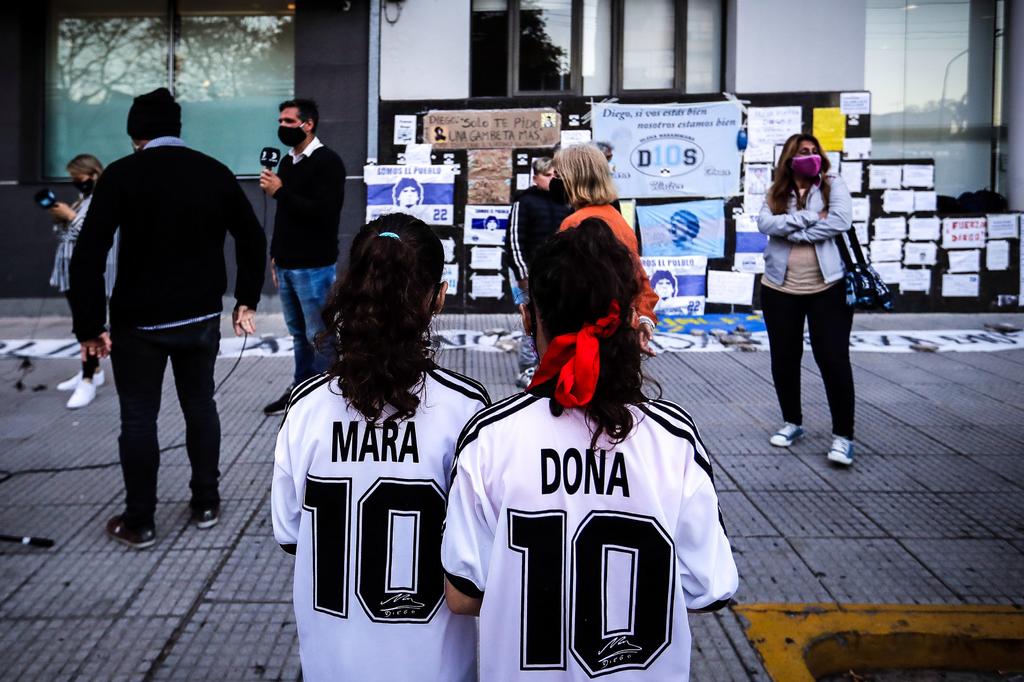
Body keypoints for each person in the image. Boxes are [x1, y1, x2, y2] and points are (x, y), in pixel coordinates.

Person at [442, 218, 737, 681]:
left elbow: (462, 596)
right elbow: (708, 588)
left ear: (528, 318)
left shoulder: (490, 438)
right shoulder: (674, 440)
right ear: (630, 320)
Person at [272, 213, 486, 682]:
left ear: (353, 289)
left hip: (332, 665)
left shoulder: (305, 406)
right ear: (438, 298)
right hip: (435, 669)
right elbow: (479, 559)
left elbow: (290, 533)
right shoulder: (467, 408)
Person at [69, 87, 267, 548]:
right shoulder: (213, 171)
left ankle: (140, 521)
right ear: (177, 128)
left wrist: (89, 326)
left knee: (139, 418)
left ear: (135, 133)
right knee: (200, 406)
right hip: (200, 317)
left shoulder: (121, 175)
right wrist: (246, 299)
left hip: (139, 322)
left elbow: (89, 254)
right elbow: (252, 237)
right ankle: (206, 502)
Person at [756, 133, 856, 466]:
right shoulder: (777, 190)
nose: (810, 156)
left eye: (814, 151)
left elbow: (840, 221)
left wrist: (791, 231)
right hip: (779, 288)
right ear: (790, 158)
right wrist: (810, 218)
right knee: (784, 359)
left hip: (828, 288)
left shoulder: (832, 184)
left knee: (833, 360)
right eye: (803, 152)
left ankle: (843, 437)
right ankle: (792, 422)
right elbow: (764, 223)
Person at [260, 98, 347, 416]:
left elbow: (324, 213)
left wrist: (280, 192)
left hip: (314, 265)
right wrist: (275, 255)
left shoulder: (328, 162)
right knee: (299, 334)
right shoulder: (286, 162)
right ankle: (301, 388)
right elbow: (284, 216)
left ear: (308, 124)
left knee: (320, 334)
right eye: (280, 121)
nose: (282, 126)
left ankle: (328, 393)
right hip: (287, 263)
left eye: (288, 121)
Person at [556, 143, 659, 355]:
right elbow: (639, 279)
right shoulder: (616, 218)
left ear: (573, 178)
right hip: (620, 335)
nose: (556, 181)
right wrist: (644, 318)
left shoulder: (575, 223)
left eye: (559, 175)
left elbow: (568, 292)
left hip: (589, 341)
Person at [49, 153, 118, 409]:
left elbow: (92, 233)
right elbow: (67, 234)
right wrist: (61, 218)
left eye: (78, 177)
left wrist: (70, 215)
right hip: (70, 268)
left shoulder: (102, 200)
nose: (76, 181)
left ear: (93, 174)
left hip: (90, 272)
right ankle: (92, 371)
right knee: (81, 322)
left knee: (88, 323)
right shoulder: (83, 200)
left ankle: (88, 379)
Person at [505, 156, 571, 388]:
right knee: (533, 320)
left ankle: (555, 365)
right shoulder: (525, 201)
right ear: (535, 178)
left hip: (562, 274)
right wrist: (523, 274)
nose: (553, 179)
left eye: (556, 175)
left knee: (560, 321)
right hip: (532, 274)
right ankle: (528, 368)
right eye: (547, 175)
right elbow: (514, 240)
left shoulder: (567, 201)